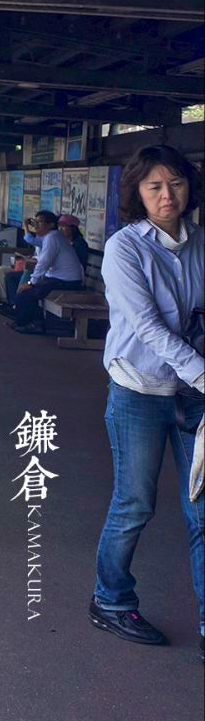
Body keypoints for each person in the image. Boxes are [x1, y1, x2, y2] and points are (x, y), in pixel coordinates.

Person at [87, 145, 204, 662]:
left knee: (202, 510)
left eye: (175, 184)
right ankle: (110, 601)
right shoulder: (124, 248)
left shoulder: (200, 243)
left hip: (194, 394)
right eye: (154, 186)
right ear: (137, 192)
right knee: (135, 503)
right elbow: (148, 328)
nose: (166, 195)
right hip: (138, 388)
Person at [12, 209, 86, 332]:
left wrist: (31, 283)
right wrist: (26, 225)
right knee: (26, 290)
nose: (36, 225)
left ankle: (35, 324)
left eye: (40, 222)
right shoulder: (50, 236)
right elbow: (30, 239)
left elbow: (44, 262)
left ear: (51, 225)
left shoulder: (52, 238)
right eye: (35, 222)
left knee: (29, 293)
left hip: (67, 282)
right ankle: (21, 320)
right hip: (58, 279)